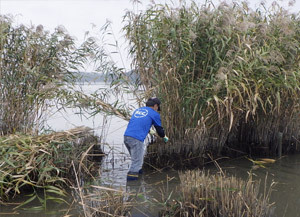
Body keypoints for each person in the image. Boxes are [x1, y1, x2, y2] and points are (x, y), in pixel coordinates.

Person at [124, 97, 169, 181]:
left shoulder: (138, 110)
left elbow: (138, 123)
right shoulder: (154, 114)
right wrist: (164, 136)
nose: (157, 109)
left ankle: (140, 180)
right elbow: (159, 130)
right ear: (155, 106)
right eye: (157, 108)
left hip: (127, 137)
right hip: (136, 139)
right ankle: (132, 189)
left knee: (137, 161)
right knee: (136, 164)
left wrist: (149, 130)